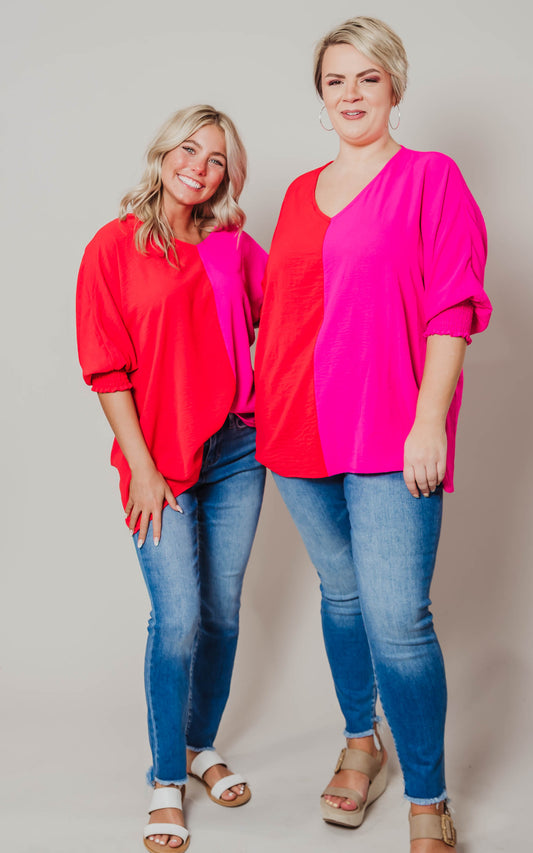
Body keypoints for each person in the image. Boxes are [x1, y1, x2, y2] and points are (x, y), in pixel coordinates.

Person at [254, 16, 491, 852]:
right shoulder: (293, 193)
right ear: (319, 99)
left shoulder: (430, 178)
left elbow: (452, 306)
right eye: (334, 81)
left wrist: (430, 420)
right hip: (293, 428)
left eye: (365, 78)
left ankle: (427, 795)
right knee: (344, 597)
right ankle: (362, 739)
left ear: (393, 84)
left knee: (398, 617)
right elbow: (281, 312)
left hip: (392, 430)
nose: (350, 94)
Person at [76, 104, 267, 852]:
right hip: (159, 459)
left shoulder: (231, 247)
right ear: (162, 154)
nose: (199, 165)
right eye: (189, 148)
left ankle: (198, 742)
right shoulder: (113, 247)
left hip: (238, 451)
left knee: (220, 612)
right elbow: (105, 367)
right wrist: (145, 467)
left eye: (216, 158)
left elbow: (285, 317)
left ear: (226, 175)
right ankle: (165, 779)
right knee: (179, 616)